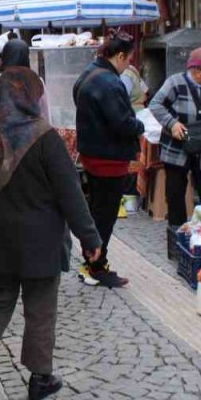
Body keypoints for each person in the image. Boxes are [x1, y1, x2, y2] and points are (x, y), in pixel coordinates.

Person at [0, 68, 102, 400]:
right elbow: (70, 194)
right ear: (31, 97)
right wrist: (91, 240)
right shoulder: (44, 137)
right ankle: (40, 377)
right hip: (40, 241)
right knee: (40, 305)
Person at [73, 33, 146, 287]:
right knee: (105, 214)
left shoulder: (88, 73)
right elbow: (122, 122)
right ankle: (96, 266)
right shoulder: (110, 83)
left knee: (96, 210)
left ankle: (90, 259)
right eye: (128, 60)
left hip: (92, 153)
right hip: (109, 158)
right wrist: (140, 124)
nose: (128, 65)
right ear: (119, 56)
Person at [147, 47, 201, 229]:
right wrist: (172, 123)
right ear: (189, 68)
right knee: (175, 194)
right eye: (197, 70)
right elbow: (155, 104)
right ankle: (178, 234)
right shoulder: (175, 83)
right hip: (177, 147)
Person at [0, 39, 50, 123]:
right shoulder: (36, 82)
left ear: (4, 58)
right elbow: (46, 117)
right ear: (27, 58)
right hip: (29, 134)